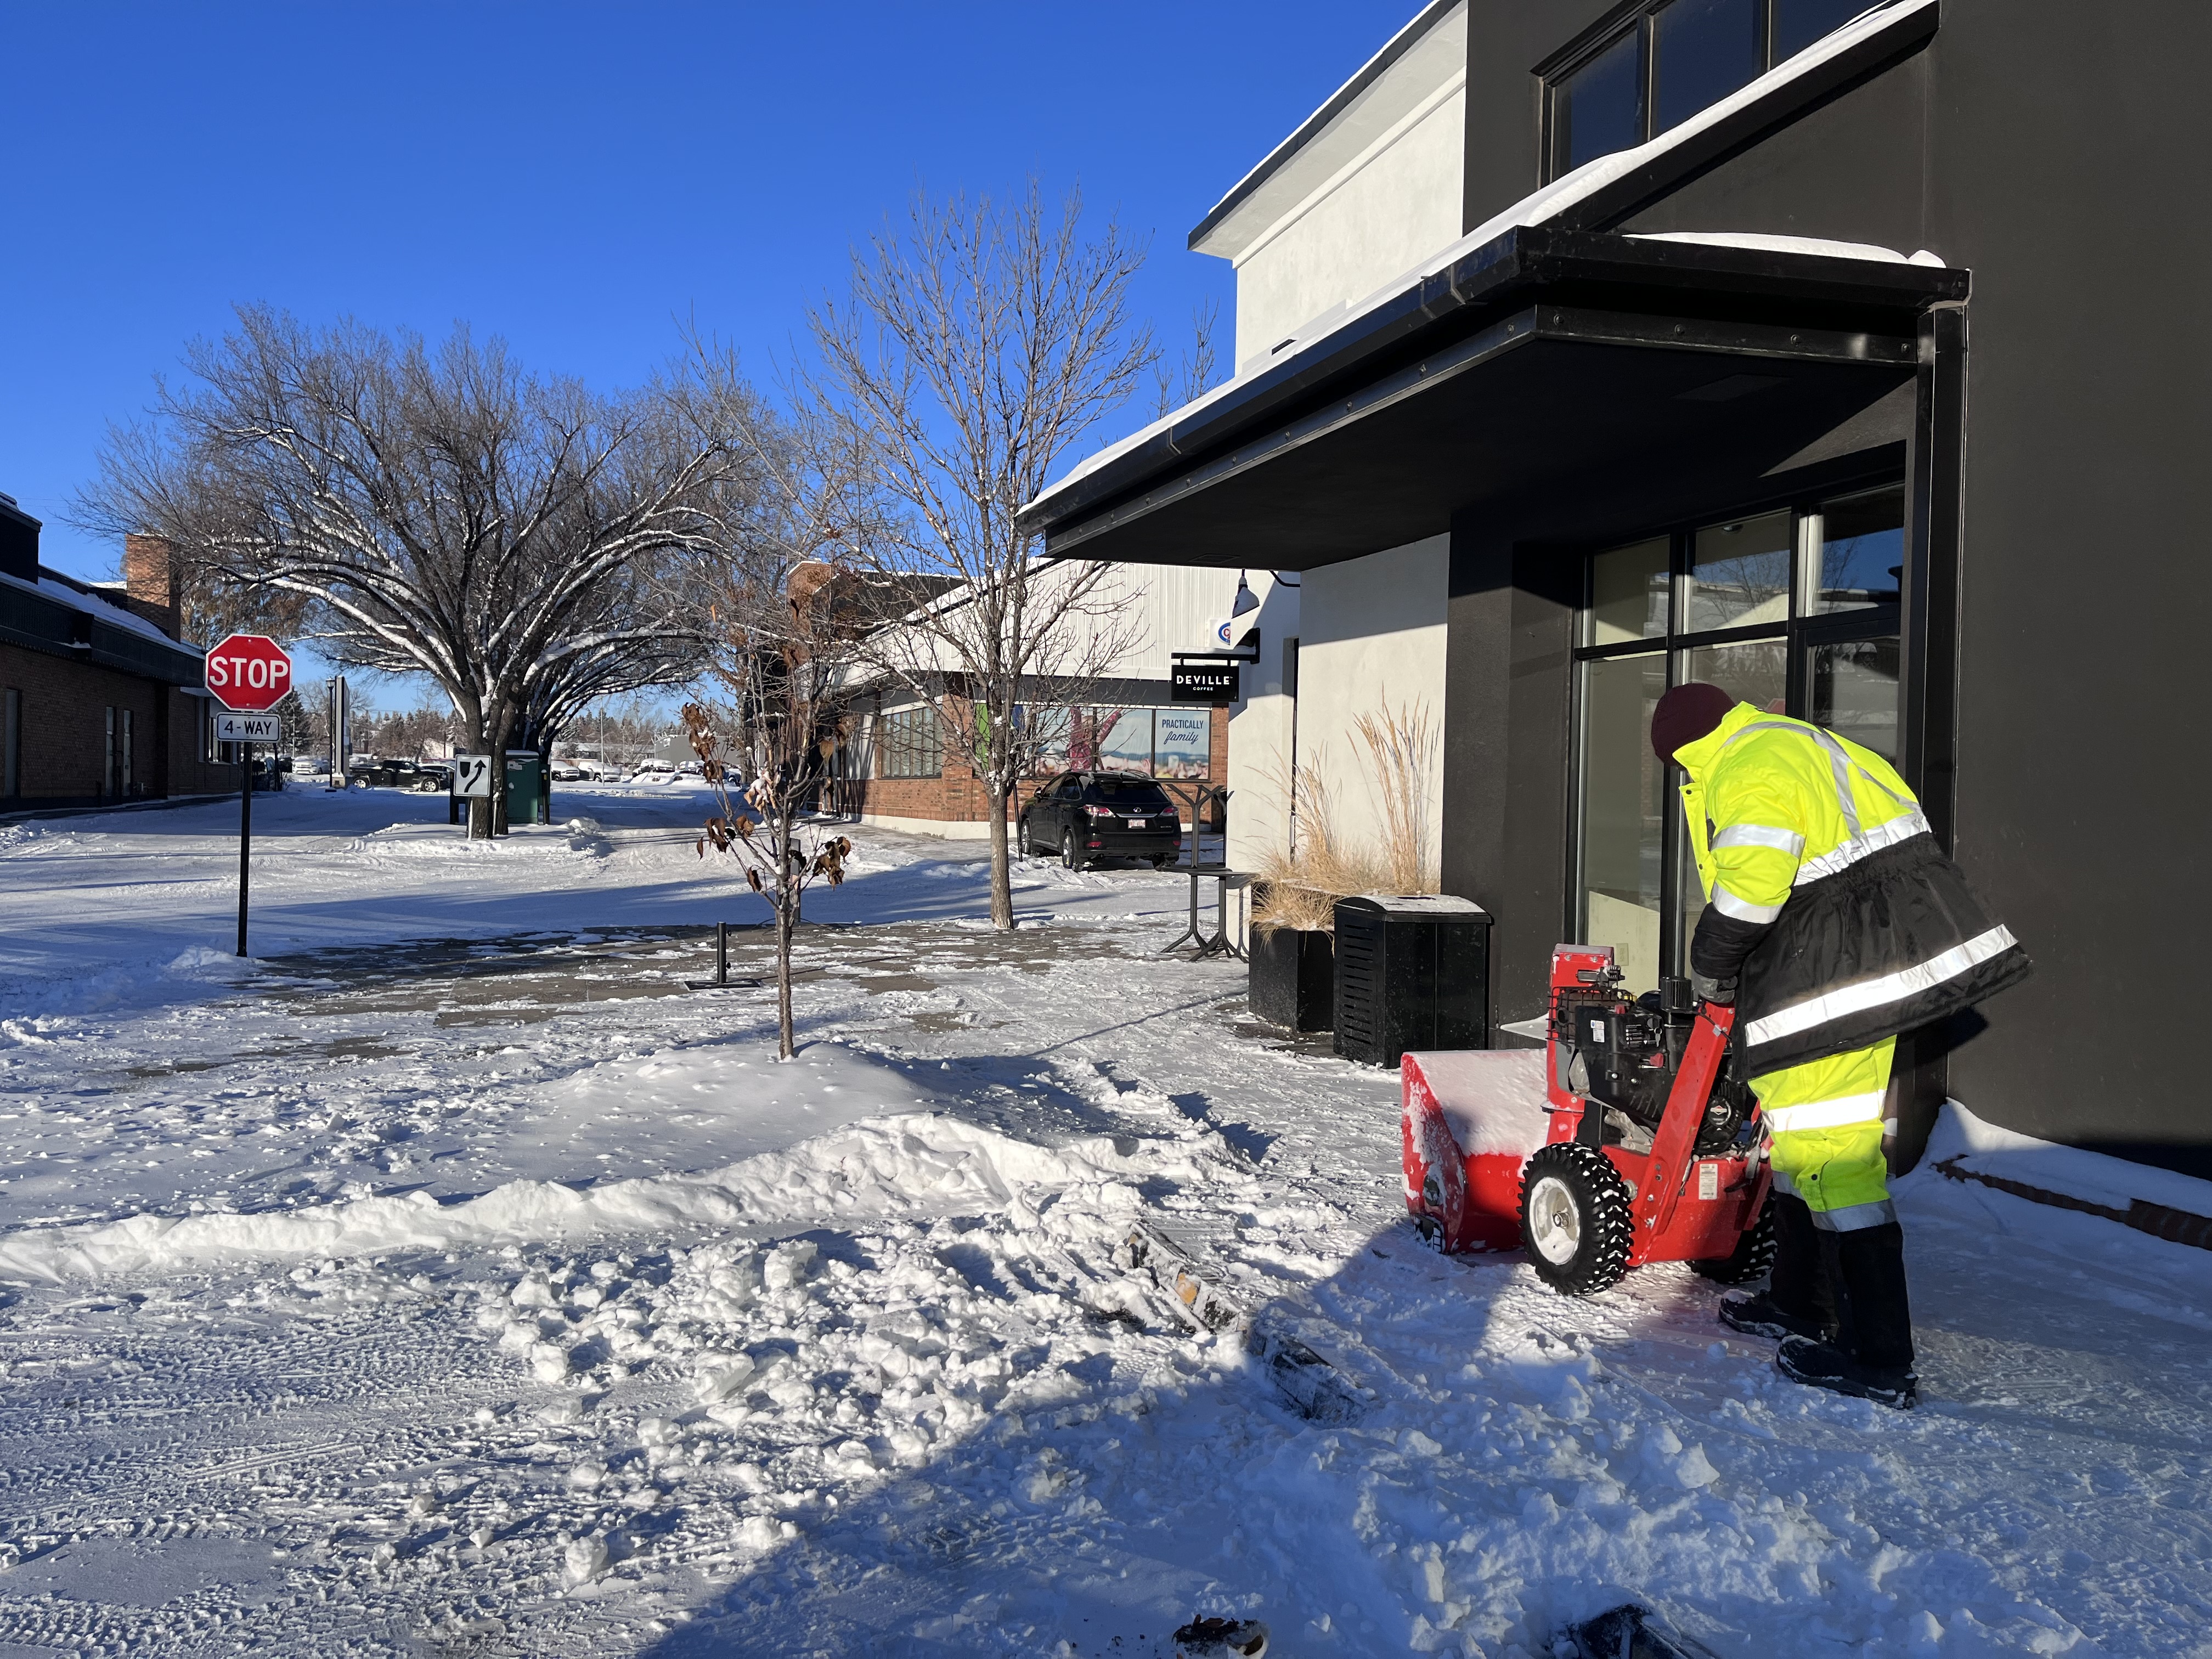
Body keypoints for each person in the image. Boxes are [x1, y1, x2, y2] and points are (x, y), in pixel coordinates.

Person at [1649, 682, 2029, 1408]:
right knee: (1801, 1147)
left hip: (1832, 977)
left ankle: (1879, 1358)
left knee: (1838, 1160)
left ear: (1683, 752)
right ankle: (1800, 1302)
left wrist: (1712, 968)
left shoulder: (1748, 766)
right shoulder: (1797, 742)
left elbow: (1752, 890)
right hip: (1850, 963)